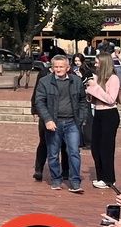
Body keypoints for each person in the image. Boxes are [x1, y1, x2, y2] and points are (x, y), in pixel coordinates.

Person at [35, 55, 88, 193]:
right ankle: (56, 180)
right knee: (53, 154)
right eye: (56, 67)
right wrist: (47, 119)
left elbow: (83, 101)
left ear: (68, 67)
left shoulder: (76, 81)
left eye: (61, 67)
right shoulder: (44, 82)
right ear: (52, 68)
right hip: (54, 123)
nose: (58, 69)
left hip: (72, 122)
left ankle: (75, 181)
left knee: (74, 152)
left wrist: (81, 119)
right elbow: (39, 102)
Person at [86, 52, 121, 190]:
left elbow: (110, 99)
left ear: (104, 63)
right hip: (98, 113)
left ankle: (109, 179)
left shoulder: (113, 78)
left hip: (109, 115)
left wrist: (94, 87)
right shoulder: (99, 78)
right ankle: (101, 176)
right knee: (95, 147)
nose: (95, 65)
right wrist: (89, 91)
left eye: (97, 62)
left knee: (106, 147)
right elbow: (95, 98)